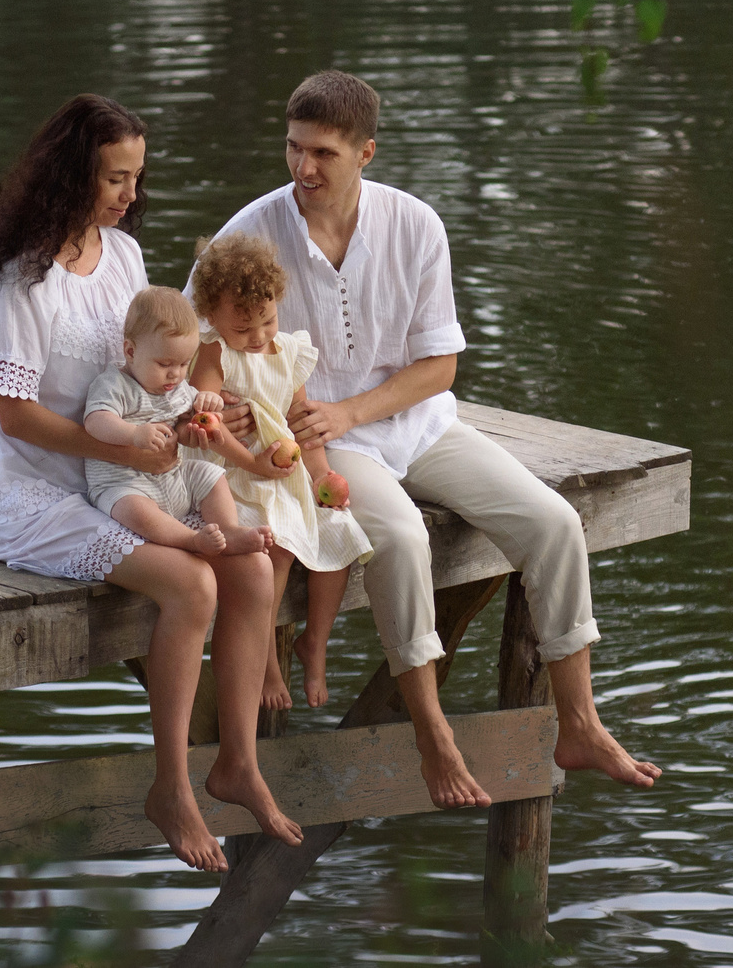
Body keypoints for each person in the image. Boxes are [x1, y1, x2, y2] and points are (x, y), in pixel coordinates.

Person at [199, 70, 659, 806]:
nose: (303, 168)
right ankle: (432, 731)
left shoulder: (417, 224)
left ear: (366, 152)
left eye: (323, 153)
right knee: (403, 538)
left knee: (554, 522)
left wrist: (357, 409)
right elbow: (200, 355)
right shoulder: (250, 231)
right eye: (293, 149)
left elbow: (440, 364)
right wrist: (237, 403)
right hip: (322, 443)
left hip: (419, 425)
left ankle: (579, 720)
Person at [0, 94, 300, 871]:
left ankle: (237, 760)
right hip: (41, 492)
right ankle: (171, 787)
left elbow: (156, 377)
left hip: (130, 471)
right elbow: (11, 414)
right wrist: (129, 450)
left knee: (247, 562)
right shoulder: (20, 278)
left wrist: (199, 416)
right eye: (116, 177)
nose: (130, 194)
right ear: (72, 173)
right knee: (191, 584)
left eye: (137, 177)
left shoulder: (125, 258)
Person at [188, 234, 373, 709]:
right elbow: (202, 417)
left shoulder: (289, 353)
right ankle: (269, 660)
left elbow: (300, 425)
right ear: (212, 318)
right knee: (279, 552)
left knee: (341, 532)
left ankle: (315, 641)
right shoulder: (215, 353)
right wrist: (206, 400)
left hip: (285, 473)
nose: (259, 336)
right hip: (237, 478)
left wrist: (320, 477)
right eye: (243, 325)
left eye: (268, 320)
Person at [79, 286, 276, 561]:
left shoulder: (178, 388)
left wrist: (208, 406)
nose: (175, 374)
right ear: (131, 351)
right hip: (124, 482)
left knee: (211, 476)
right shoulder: (114, 385)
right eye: (165, 364)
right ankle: (191, 540)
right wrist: (134, 434)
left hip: (173, 476)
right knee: (135, 510)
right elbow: (95, 422)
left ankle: (229, 530)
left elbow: (187, 423)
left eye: (184, 364)